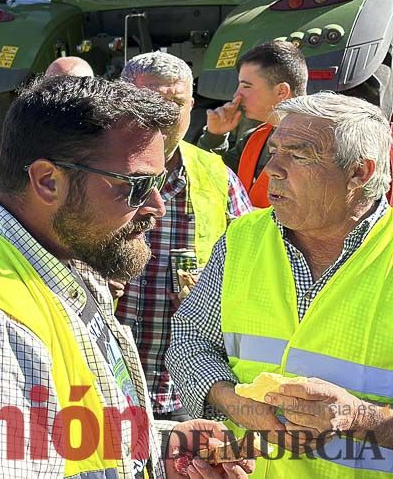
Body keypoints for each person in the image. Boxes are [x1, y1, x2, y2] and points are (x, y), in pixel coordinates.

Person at [0, 76, 253, 478]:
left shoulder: (62, 253)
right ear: (48, 181)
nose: (157, 206)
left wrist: (158, 450)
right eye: (136, 186)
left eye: (160, 182)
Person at [169, 92, 393, 476]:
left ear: (360, 172)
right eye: (274, 151)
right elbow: (190, 339)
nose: (271, 168)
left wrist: (360, 417)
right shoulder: (244, 238)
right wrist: (232, 401)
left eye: (299, 155)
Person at [116, 52, 252, 423]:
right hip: (97, 383)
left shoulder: (216, 176)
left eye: (176, 102)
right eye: (152, 101)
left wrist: (214, 294)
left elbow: (256, 270)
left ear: (192, 105)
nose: (166, 114)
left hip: (183, 391)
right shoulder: (88, 169)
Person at [198, 40, 307, 207]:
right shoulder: (253, 139)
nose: (236, 95)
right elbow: (210, 182)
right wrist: (215, 137)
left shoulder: (319, 144)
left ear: (281, 91)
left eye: (246, 87)